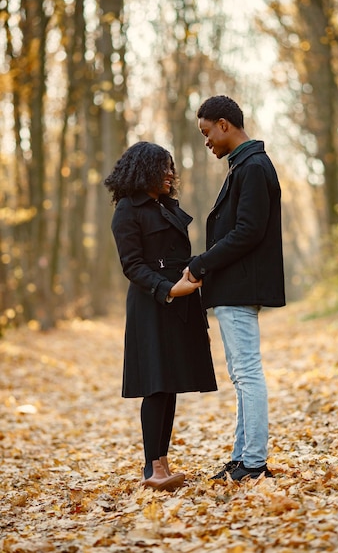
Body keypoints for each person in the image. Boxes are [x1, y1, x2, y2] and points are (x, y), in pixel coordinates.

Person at [104, 141, 217, 492]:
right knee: (155, 385)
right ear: (143, 170)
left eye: (171, 167)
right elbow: (132, 266)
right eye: (163, 167)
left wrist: (192, 277)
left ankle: (162, 466)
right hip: (152, 305)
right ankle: (152, 469)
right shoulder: (127, 209)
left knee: (169, 386)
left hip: (178, 303)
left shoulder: (166, 207)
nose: (171, 173)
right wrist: (168, 289)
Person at [188, 95, 285, 482]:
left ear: (225, 124)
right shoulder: (243, 166)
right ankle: (242, 457)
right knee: (241, 373)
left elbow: (248, 231)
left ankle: (254, 462)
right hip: (233, 287)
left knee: (247, 373)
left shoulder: (254, 167)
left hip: (240, 286)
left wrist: (201, 263)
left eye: (207, 132)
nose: (206, 141)